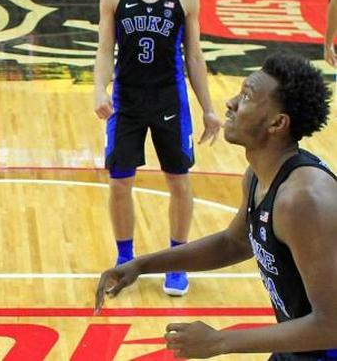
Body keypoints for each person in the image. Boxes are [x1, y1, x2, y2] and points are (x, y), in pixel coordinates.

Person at [95, 53, 337, 360]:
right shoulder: (259, 176)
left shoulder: (303, 200)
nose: (231, 103)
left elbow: (332, 324)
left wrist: (220, 342)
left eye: (247, 96)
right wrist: (143, 265)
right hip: (302, 349)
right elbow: (233, 243)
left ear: (278, 123)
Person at [93, 0, 221, 297]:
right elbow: (104, 50)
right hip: (127, 101)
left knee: (179, 181)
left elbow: (194, 57)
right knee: (119, 183)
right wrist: (100, 90)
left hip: (169, 99)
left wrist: (209, 109)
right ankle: (125, 260)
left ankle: (177, 259)